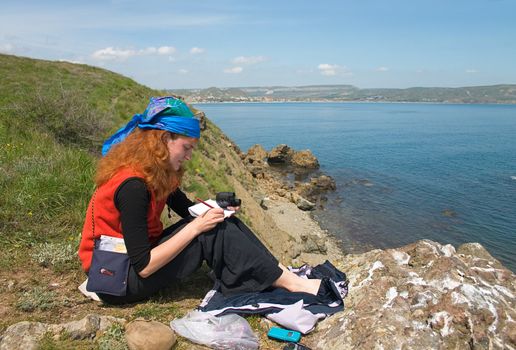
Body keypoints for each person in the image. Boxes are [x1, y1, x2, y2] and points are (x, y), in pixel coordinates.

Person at [78, 96, 323, 304]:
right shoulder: (133, 186)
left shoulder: (154, 173)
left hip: (127, 263)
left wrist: (218, 206)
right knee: (208, 231)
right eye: (186, 148)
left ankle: (280, 273)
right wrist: (197, 226)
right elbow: (144, 266)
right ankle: (290, 283)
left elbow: (187, 210)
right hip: (116, 277)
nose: (189, 156)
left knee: (218, 223)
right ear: (164, 140)